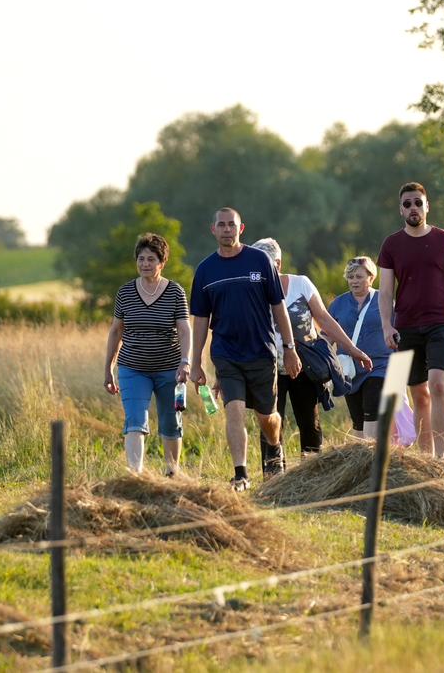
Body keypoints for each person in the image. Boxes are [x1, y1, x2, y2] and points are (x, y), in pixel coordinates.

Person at [189, 207, 302, 492]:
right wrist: (196, 361)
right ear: (213, 229)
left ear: (241, 229)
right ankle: (241, 474)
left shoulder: (260, 261)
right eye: (221, 225)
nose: (227, 229)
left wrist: (289, 348)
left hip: (261, 352)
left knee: (267, 417)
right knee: (234, 411)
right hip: (226, 353)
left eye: (232, 225)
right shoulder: (205, 270)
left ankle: (274, 448)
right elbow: (200, 320)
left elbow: (279, 307)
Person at [377, 182, 444, 459]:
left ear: (427, 206)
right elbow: (385, 292)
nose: (413, 208)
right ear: (401, 210)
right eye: (407, 204)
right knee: (419, 393)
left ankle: (441, 458)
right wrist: (387, 325)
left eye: (418, 203)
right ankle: (426, 459)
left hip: (441, 323)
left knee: (438, 384)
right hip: (406, 327)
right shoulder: (391, 244)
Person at [250, 238, 371, 459]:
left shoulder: (301, 284)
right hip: (268, 367)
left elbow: (324, 319)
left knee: (309, 422)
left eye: (266, 263)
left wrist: (352, 349)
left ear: (278, 263)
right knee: (270, 421)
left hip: (304, 364)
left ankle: (313, 471)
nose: (261, 269)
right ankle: (274, 471)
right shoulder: (251, 291)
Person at [103, 233, 190, 476]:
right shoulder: (125, 293)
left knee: (171, 422)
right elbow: (116, 331)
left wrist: (185, 362)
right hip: (132, 368)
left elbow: (184, 330)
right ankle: (136, 476)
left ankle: (172, 473)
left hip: (170, 369)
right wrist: (108, 368)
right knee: (135, 421)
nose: (145, 264)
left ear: (162, 262)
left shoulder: (175, 292)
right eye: (141, 259)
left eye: (151, 259)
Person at [327, 256, 393, 441]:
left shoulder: (384, 300)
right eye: (350, 277)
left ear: (371, 277)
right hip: (349, 370)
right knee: (358, 420)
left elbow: (398, 333)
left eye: (359, 276)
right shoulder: (338, 304)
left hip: (379, 366)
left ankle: (371, 454)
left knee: (371, 409)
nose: (354, 281)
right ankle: (360, 456)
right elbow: (327, 335)